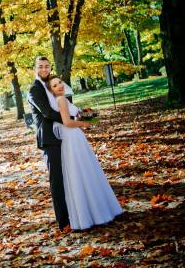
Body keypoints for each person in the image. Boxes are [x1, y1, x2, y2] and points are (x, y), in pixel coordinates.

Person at [46, 75, 123, 230]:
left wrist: (84, 115)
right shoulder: (60, 100)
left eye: (60, 82)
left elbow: (70, 116)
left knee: (84, 171)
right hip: (72, 137)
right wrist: (85, 123)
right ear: (51, 91)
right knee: (83, 171)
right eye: (55, 86)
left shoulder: (62, 99)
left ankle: (93, 212)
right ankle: (93, 213)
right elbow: (67, 122)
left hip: (74, 136)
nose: (59, 86)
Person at [28, 56, 72, 230]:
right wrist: (69, 118)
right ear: (35, 69)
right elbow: (47, 112)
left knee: (69, 175)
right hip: (49, 139)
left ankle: (74, 212)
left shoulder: (52, 84)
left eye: (47, 66)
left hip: (63, 135)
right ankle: (63, 221)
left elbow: (65, 101)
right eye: (41, 67)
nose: (44, 69)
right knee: (57, 180)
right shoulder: (34, 89)